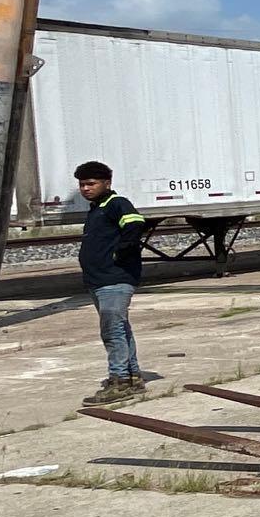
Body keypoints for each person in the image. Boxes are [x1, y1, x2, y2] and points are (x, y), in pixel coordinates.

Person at [74, 160, 147, 404]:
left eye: (91, 183)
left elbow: (135, 224)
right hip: (98, 281)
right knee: (121, 328)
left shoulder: (116, 204)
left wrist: (122, 252)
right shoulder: (97, 209)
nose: (85, 188)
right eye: (82, 184)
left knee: (112, 331)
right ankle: (133, 377)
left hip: (114, 279)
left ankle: (119, 382)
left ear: (107, 183)